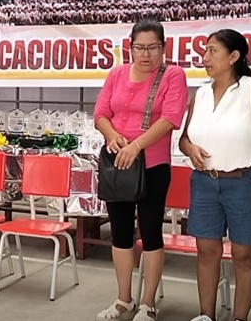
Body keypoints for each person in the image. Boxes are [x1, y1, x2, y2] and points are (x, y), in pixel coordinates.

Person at [179, 29, 251, 321]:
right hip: (204, 183)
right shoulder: (201, 94)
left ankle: (240, 317)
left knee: (244, 255)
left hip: (243, 184)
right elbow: (184, 139)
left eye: (212, 51)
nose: (205, 57)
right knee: (206, 251)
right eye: (205, 50)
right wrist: (189, 148)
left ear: (234, 56)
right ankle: (206, 315)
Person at [93, 19, 188, 320]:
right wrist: (112, 135)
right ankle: (124, 299)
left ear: (164, 47)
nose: (146, 55)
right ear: (130, 47)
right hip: (117, 165)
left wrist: (136, 146)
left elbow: (170, 119)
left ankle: (148, 303)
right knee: (120, 232)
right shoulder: (117, 73)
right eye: (140, 48)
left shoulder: (173, 75)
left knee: (150, 232)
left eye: (153, 48)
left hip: (152, 166)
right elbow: (101, 113)